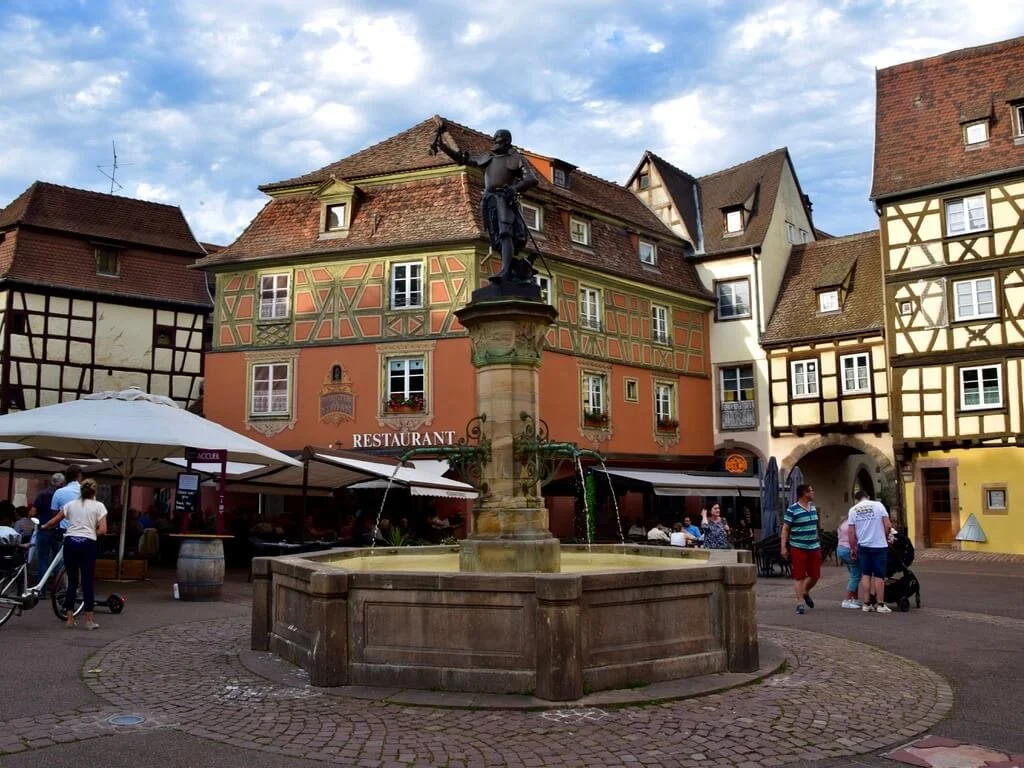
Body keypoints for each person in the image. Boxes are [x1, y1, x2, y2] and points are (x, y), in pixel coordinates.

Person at [432, 121, 540, 282]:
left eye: (499, 139)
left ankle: (505, 271)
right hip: (490, 200)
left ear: (507, 141)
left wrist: (513, 189)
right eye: (494, 139)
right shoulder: (488, 158)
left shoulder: (516, 158)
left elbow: (531, 179)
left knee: (505, 234)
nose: (495, 142)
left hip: (505, 199)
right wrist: (443, 145)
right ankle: (510, 268)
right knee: (496, 238)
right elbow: (463, 159)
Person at [40, 478, 107, 630]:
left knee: (72, 582)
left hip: (70, 542)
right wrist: (90, 533)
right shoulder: (99, 506)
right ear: (94, 491)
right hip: (87, 544)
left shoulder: (70, 505)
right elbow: (103, 530)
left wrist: (44, 526)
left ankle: (70, 619)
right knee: (87, 582)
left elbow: (55, 520)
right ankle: (89, 621)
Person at [848, 490, 893, 614]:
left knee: (866, 574)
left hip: (863, 546)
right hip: (879, 545)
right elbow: (888, 525)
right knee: (879, 576)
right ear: (868, 497)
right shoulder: (878, 505)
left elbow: (851, 532)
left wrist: (853, 548)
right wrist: (886, 536)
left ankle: (866, 604)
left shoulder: (853, 510)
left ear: (857, 499)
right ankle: (880, 604)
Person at [781, 484, 821, 615]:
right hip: (798, 546)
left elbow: (815, 526)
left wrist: (817, 539)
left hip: (814, 546)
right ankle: (800, 603)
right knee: (799, 576)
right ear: (804, 493)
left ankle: (804, 591)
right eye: (811, 490)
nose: (814, 492)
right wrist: (783, 547)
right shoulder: (792, 509)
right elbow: (785, 528)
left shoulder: (813, 508)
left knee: (815, 576)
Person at [31, 472, 64, 580]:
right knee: (57, 559)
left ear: (51, 481)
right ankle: (56, 587)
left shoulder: (42, 494)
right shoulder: (61, 495)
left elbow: (33, 512)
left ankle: (42, 589)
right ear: (62, 483)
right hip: (58, 530)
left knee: (43, 559)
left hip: (43, 529)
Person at [837, 517, 862, 609]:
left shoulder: (842, 523)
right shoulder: (852, 524)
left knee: (853, 575)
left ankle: (854, 599)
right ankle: (847, 600)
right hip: (849, 550)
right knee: (856, 575)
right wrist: (853, 549)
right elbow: (855, 536)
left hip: (840, 549)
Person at [50, 465, 83, 530]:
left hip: (64, 530)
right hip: (82, 531)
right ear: (79, 476)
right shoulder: (87, 491)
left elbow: (54, 514)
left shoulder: (59, 492)